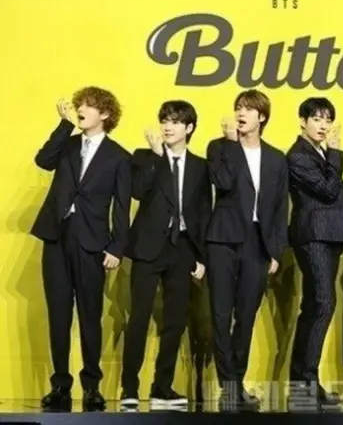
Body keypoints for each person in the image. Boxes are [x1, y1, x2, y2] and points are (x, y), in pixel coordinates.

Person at [31, 87, 132, 411]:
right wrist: (63, 126)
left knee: (90, 315)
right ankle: (60, 385)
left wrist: (116, 247)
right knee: (58, 314)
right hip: (56, 237)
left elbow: (122, 207)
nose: (80, 110)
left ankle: (91, 386)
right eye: (79, 105)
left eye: (88, 106)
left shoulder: (119, 157)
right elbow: (43, 160)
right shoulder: (68, 143)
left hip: (92, 242)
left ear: (105, 114)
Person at [119, 100, 210, 409]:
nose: (168, 127)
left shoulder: (200, 166)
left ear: (189, 127)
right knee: (139, 318)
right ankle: (129, 388)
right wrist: (158, 158)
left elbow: (203, 212)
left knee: (175, 321)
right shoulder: (145, 156)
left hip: (182, 248)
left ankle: (162, 387)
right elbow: (137, 191)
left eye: (175, 121)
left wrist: (201, 256)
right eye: (165, 121)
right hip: (148, 247)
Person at [205, 89, 289, 409]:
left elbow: (280, 207)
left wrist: (275, 251)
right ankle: (230, 387)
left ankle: (236, 382)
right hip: (223, 240)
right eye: (238, 108)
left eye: (248, 109)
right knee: (220, 313)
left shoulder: (276, 158)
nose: (241, 113)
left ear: (262, 117)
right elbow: (223, 183)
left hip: (258, 242)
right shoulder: (219, 147)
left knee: (246, 316)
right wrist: (230, 144)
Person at [286, 98, 343, 407]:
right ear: (303, 121)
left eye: (328, 119)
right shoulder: (298, 155)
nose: (323, 125)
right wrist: (337, 155)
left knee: (317, 305)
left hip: (328, 237)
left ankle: (304, 384)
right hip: (313, 237)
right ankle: (305, 385)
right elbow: (328, 190)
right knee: (322, 304)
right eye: (316, 119)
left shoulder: (319, 153)